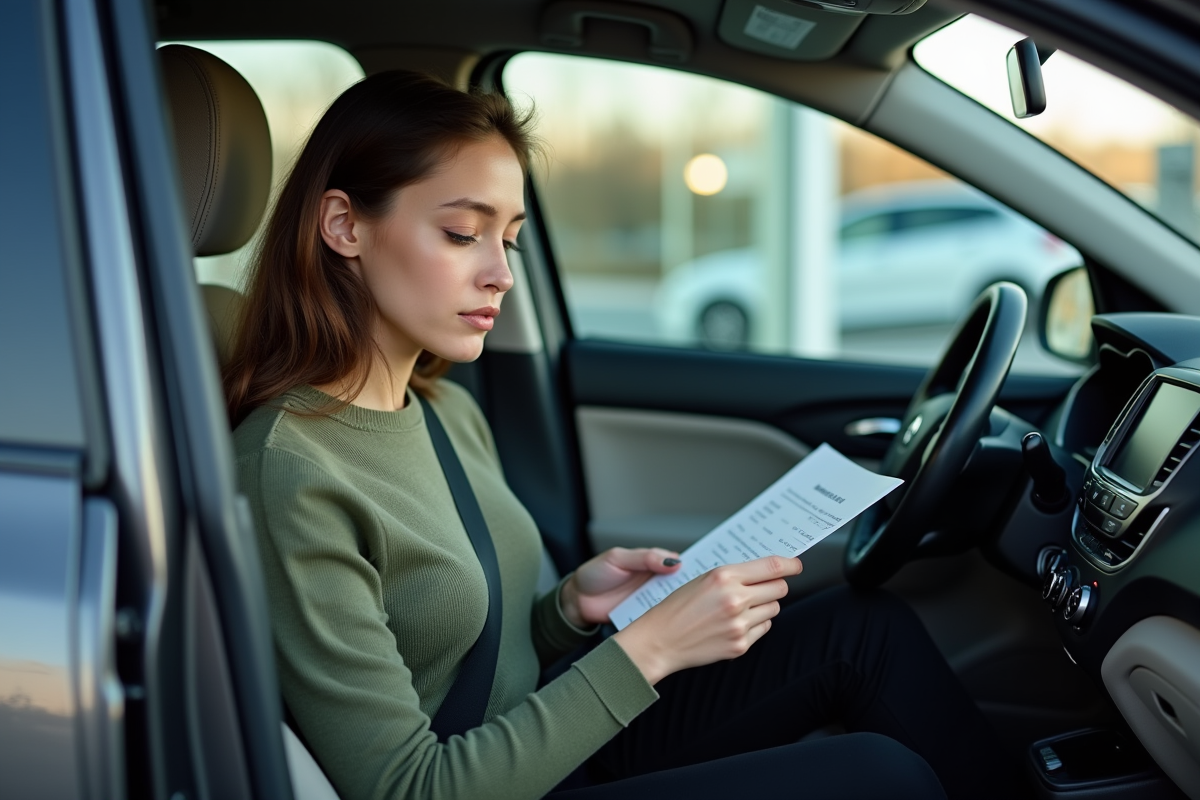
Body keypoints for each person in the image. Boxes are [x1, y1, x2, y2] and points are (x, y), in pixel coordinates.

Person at [226, 71, 1023, 800]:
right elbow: (408, 788)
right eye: (464, 233)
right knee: (880, 779)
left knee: (863, 627)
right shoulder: (292, 471)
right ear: (344, 227)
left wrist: (569, 611)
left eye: (509, 238)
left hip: (539, 741)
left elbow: (458, 659)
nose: (501, 273)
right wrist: (648, 651)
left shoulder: (442, 411)